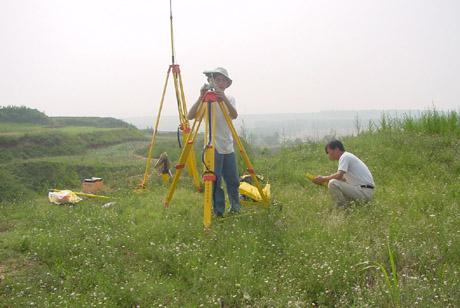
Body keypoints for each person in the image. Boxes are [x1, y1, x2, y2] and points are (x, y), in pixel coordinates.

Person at [187, 67, 241, 216]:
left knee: (233, 180)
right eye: (217, 80)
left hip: (227, 146)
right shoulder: (206, 101)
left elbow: (234, 115)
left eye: (223, 80)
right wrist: (200, 97)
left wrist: (223, 97)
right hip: (212, 148)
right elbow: (190, 116)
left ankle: (236, 208)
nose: (220, 83)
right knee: (215, 182)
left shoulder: (229, 99)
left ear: (227, 83)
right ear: (211, 81)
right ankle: (218, 212)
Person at [313, 140, 375, 208]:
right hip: (365, 191)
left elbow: (339, 175)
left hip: (363, 191)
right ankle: (348, 207)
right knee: (334, 182)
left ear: (337, 149)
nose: (328, 155)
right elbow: (342, 179)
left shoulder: (345, 157)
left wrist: (323, 178)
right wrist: (323, 181)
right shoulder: (347, 156)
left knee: (333, 183)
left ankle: (341, 208)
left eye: (329, 152)